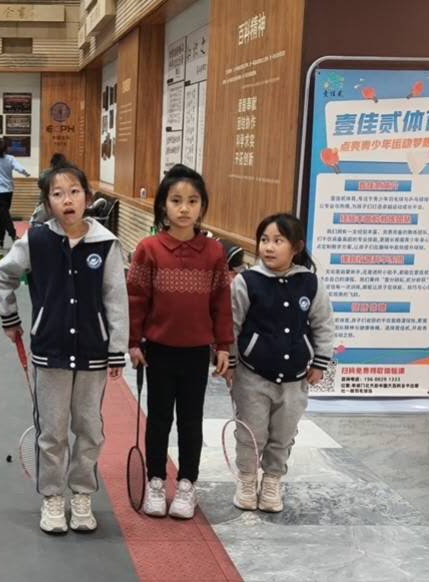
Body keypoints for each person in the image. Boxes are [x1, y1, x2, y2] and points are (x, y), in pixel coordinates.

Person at [0, 163, 128, 534]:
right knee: (52, 431)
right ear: (48, 202)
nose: (67, 200)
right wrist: (9, 317)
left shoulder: (106, 243)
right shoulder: (35, 241)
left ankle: (82, 494)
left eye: (74, 192)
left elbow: (116, 298)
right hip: (49, 351)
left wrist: (116, 348)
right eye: (57, 194)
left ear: (87, 197)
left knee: (89, 429)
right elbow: (4, 274)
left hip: (92, 353)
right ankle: (52, 497)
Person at [126, 164, 233, 519]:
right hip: (157, 352)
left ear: (202, 206)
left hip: (196, 354)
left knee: (191, 421)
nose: (184, 208)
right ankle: (156, 481)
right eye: (176, 200)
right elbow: (136, 298)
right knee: (158, 420)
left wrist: (223, 345)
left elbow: (221, 302)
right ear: (163, 205)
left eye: (192, 201)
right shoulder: (148, 249)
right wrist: (134, 341)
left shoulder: (214, 252)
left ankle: (187, 484)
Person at [225, 213, 334, 513]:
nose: (269, 247)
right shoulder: (247, 281)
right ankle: (247, 480)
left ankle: (272, 480)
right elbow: (231, 325)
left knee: (283, 435)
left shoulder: (310, 283)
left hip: (295, 378)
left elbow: (323, 324)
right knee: (251, 433)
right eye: (264, 240)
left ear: (296, 247)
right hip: (252, 376)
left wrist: (319, 363)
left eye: (278, 241)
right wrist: (230, 362)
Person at [0, 138, 31, 249]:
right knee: (2, 215)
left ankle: (13, 234)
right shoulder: (10, 158)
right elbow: (20, 168)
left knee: (4, 214)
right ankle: (0, 240)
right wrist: (26, 173)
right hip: (9, 191)